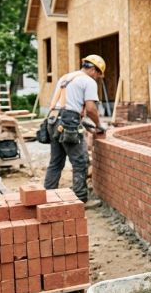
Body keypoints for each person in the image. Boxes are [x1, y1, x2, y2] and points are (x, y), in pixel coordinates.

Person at [44, 54, 107, 202]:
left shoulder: (66, 77)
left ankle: (46, 197)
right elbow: (91, 109)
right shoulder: (88, 81)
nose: (97, 78)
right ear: (94, 70)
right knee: (80, 162)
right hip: (68, 122)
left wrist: (86, 125)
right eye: (98, 74)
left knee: (56, 162)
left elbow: (65, 107)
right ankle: (80, 200)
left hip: (53, 120)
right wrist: (98, 125)